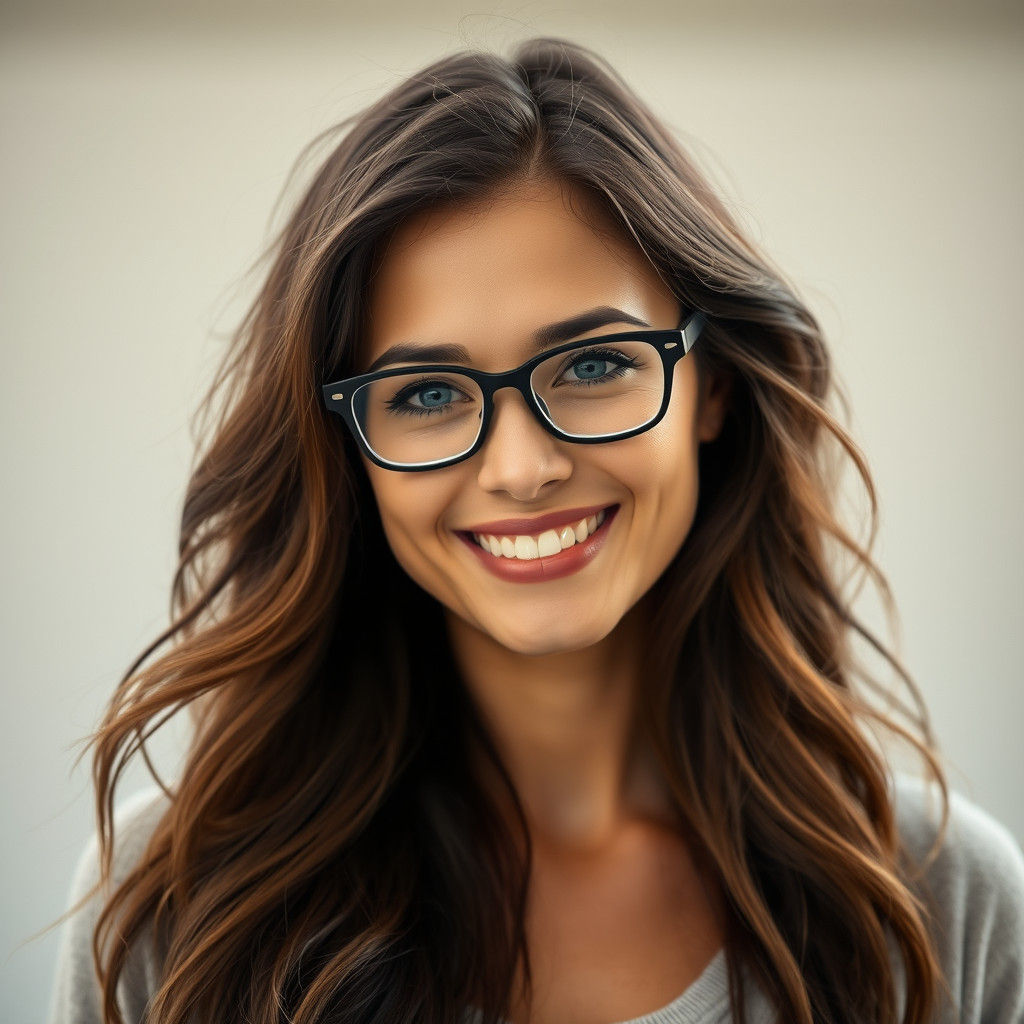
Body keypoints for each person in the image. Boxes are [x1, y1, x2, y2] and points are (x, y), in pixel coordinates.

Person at [44, 35, 1024, 1024]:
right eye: (425, 392)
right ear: (350, 446)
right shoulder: (177, 903)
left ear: (709, 386)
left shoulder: (936, 902)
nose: (521, 469)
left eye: (594, 366)